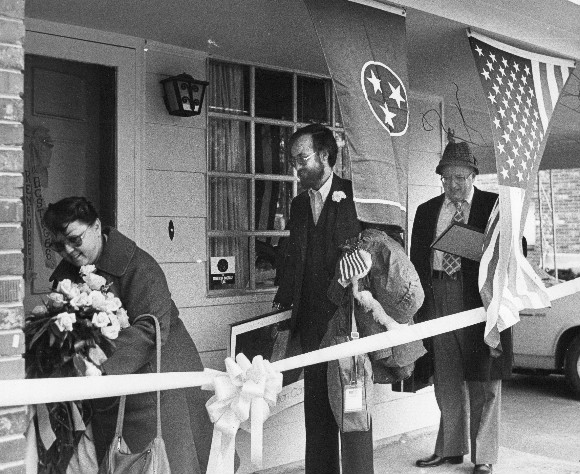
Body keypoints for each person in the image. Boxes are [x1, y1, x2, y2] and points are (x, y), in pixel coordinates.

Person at [43, 196, 213, 474]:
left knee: (163, 462)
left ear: (96, 226)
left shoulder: (141, 267)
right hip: (113, 391)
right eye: (59, 245)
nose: (69, 251)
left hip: (159, 386)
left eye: (75, 240)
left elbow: (152, 331)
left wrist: (95, 362)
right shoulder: (69, 277)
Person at [273, 124, 371, 474]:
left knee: (353, 407)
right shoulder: (299, 204)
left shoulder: (357, 194)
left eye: (302, 158)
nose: (296, 167)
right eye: (293, 160)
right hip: (312, 323)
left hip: (349, 322)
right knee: (316, 409)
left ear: (326, 156)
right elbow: (295, 261)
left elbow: (378, 246)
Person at [410, 140, 512, 474]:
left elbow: (514, 248)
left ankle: (484, 457)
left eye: (461, 178)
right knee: (446, 377)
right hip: (439, 297)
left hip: (479, 302)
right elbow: (416, 262)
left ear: (473, 175)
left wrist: (475, 248)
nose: (454, 185)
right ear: (441, 177)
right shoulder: (426, 211)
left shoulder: (493, 205)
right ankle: (450, 449)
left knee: (484, 378)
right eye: (447, 178)